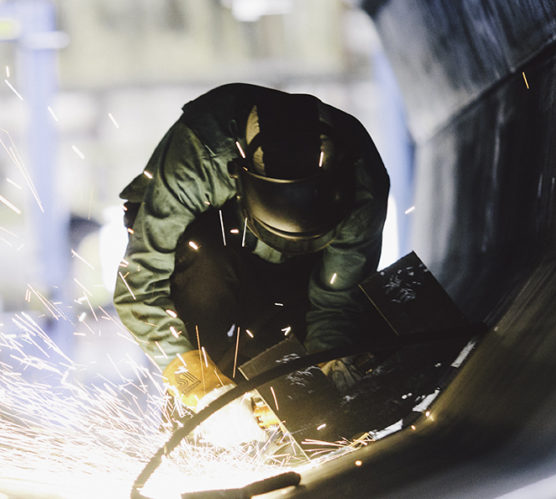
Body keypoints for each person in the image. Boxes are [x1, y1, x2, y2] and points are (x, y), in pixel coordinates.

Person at [113, 83, 389, 410]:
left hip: (303, 266)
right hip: (206, 246)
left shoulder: (362, 185)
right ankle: (198, 415)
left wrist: (327, 365)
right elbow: (140, 287)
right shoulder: (198, 159)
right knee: (204, 276)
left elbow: (337, 301)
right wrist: (198, 385)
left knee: (300, 355)